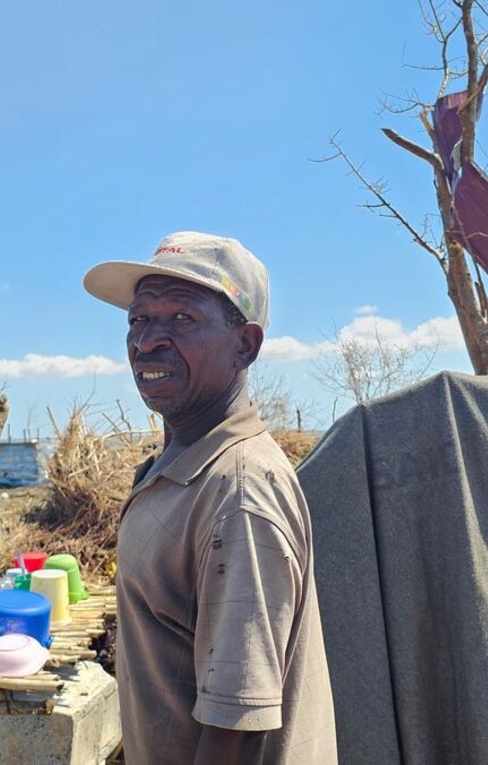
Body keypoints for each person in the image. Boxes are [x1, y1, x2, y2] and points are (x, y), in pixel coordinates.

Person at [83, 231, 337, 764]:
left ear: (244, 344)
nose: (148, 339)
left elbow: (235, 727)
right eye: (139, 318)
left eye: (182, 318)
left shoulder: (238, 492)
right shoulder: (183, 466)